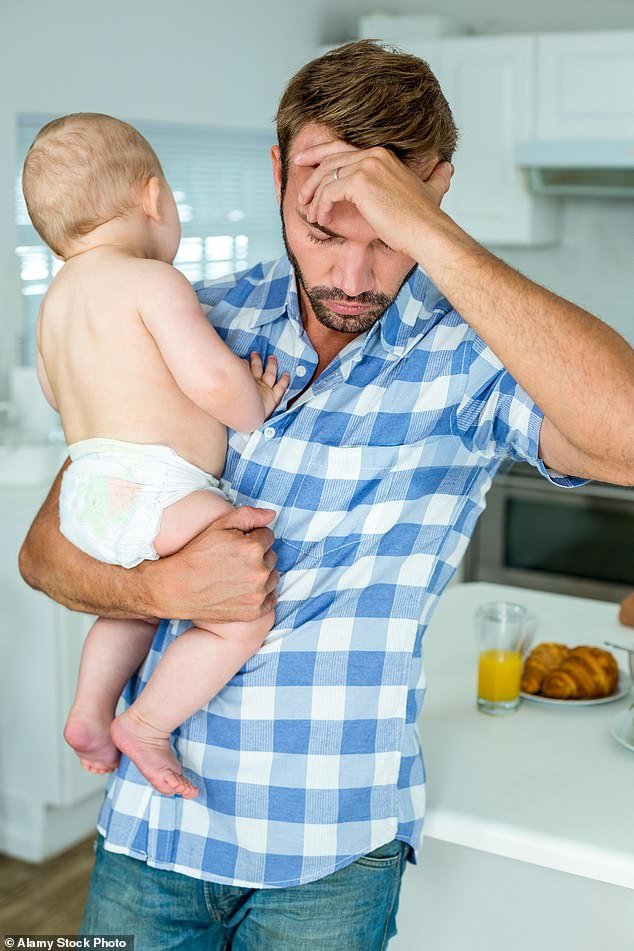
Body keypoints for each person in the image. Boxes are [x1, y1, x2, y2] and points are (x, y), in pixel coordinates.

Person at [19, 40, 634, 951]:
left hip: (329, 855)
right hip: (152, 830)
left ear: (436, 192)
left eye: (387, 235)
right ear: (278, 175)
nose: (351, 278)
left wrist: (432, 236)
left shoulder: (472, 359)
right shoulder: (190, 313)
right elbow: (46, 549)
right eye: (322, 230)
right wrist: (159, 589)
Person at [21, 113, 290, 799]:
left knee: (135, 605)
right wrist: (253, 402)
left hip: (87, 496)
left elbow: (57, 392)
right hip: (157, 488)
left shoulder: (55, 303)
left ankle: (89, 709)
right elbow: (211, 381)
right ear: (153, 198)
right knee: (243, 610)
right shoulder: (153, 282)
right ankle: (144, 723)